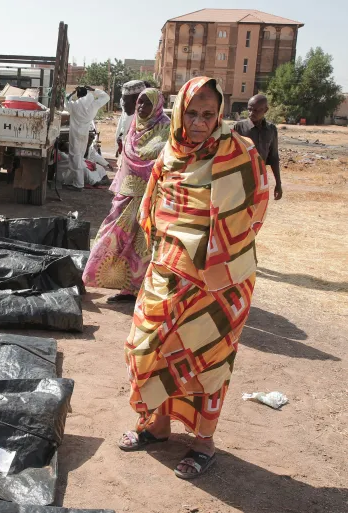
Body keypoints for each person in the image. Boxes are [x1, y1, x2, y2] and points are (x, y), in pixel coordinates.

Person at [117, 77, 269, 479]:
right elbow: (152, 205)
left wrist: (212, 252)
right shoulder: (170, 152)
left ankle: (204, 443)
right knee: (145, 347)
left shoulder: (240, 152)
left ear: (219, 114)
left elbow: (254, 211)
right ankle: (159, 427)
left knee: (206, 364)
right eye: (193, 113)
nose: (200, 122)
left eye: (208, 114)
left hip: (218, 282)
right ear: (181, 112)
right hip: (166, 271)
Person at [83, 88, 170, 303]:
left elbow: (161, 158)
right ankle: (109, 281)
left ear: (157, 105)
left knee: (143, 244)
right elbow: (128, 157)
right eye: (139, 103)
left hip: (151, 195)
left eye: (146, 103)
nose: (141, 107)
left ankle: (136, 289)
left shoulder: (166, 127)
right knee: (112, 235)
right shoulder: (134, 125)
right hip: (126, 193)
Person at [234, 94, 283, 200]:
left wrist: (278, 183)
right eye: (249, 109)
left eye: (256, 110)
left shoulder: (271, 130)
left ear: (265, 110)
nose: (251, 113)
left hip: (260, 180)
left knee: (257, 212)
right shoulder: (239, 128)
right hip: (240, 180)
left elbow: (274, 157)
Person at [64, 85, 110, 189]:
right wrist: (94, 90)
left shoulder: (74, 106)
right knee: (79, 157)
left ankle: (78, 184)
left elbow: (65, 101)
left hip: (75, 135)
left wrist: (71, 93)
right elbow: (106, 97)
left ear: (78, 95)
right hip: (85, 135)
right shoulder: (93, 105)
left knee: (75, 159)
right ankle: (73, 181)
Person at [115, 80, 146, 158]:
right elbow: (122, 130)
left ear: (137, 101)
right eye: (122, 101)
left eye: (126, 101)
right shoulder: (127, 112)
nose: (123, 105)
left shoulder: (150, 122)